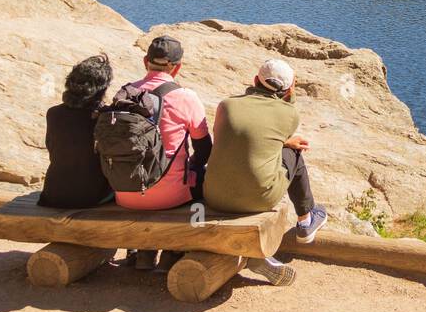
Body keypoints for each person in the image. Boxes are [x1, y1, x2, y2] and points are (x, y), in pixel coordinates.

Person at [203, 58, 327, 284]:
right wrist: (290, 98)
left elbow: (232, 137)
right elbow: (276, 128)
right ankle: (306, 220)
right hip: (258, 199)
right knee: (294, 153)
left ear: (254, 80)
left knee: (283, 147)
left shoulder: (227, 105)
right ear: (290, 89)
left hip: (213, 196)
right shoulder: (288, 114)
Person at [114, 35, 213, 271]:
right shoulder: (184, 97)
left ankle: (141, 251)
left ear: (145, 60)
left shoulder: (125, 93)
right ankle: (178, 248)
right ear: (177, 68)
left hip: (124, 192)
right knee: (204, 186)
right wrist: (193, 166)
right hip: (170, 197)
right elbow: (204, 149)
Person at [40, 55, 114, 209]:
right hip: (91, 198)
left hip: (52, 194)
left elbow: (53, 150)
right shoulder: (106, 117)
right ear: (102, 89)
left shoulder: (53, 114)